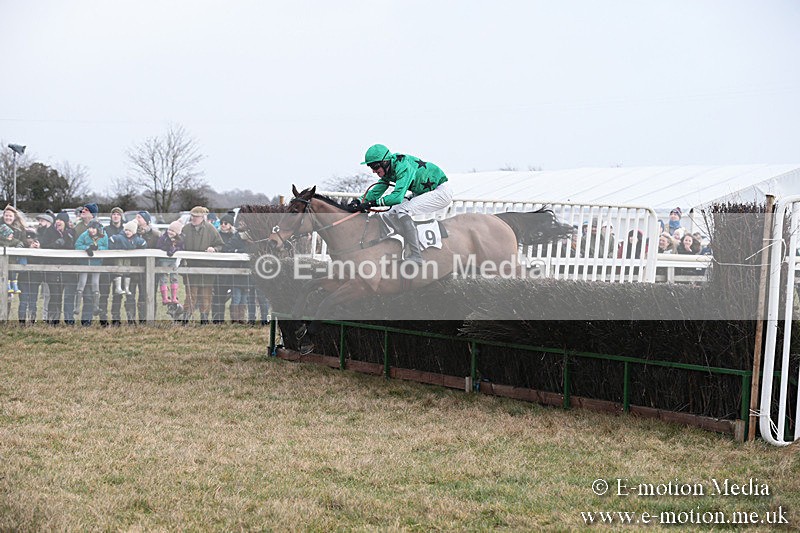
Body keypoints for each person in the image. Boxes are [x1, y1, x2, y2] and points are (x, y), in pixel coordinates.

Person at [356, 144, 453, 264]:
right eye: (370, 167)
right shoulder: (390, 168)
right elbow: (377, 191)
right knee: (390, 213)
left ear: (385, 162)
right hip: (423, 192)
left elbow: (397, 197)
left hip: (440, 191)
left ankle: (416, 255)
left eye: (375, 167)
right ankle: (393, 248)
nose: (373, 171)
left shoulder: (403, 166)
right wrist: (359, 201)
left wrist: (373, 203)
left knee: (402, 211)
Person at [181, 206, 223, 324]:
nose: (194, 218)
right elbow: (179, 244)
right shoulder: (186, 229)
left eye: (197, 216)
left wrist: (214, 249)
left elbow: (220, 244)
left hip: (207, 268)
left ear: (203, 217)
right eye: (192, 216)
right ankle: (186, 318)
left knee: (206, 295)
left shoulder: (211, 229)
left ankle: (204, 319)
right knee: (191, 295)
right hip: (190, 267)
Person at [40, 212, 75, 324]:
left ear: (65, 222)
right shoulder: (49, 232)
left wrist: (64, 239)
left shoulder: (71, 233)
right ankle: (52, 320)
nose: (58, 222)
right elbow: (44, 246)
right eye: (57, 220)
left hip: (67, 268)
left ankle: (67, 319)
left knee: (65, 295)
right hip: (52, 267)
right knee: (54, 294)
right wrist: (57, 243)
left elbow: (72, 247)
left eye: (61, 220)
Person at [74, 219, 109, 320]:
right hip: (84, 263)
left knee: (95, 284)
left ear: (98, 228)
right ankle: (76, 308)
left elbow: (106, 248)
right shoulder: (85, 235)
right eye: (90, 228)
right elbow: (77, 245)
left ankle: (95, 308)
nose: (91, 230)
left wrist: (98, 248)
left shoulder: (104, 236)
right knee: (81, 284)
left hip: (96, 263)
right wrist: (87, 248)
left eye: (93, 228)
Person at [109, 220, 146, 301]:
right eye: (126, 230)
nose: (127, 232)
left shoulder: (136, 239)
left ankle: (126, 288)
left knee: (127, 271)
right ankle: (118, 287)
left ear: (134, 232)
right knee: (119, 270)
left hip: (129, 257)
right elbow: (111, 239)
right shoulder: (120, 237)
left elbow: (143, 243)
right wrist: (114, 249)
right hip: (119, 256)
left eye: (130, 230)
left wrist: (138, 249)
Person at [102, 207, 126, 325]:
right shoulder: (105, 230)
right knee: (104, 293)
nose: (115, 216)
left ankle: (116, 317)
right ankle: (103, 317)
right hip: (106, 264)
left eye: (118, 214)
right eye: (113, 214)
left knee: (117, 293)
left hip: (120, 266)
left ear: (121, 216)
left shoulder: (126, 230)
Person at [155, 220, 184, 308]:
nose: (170, 232)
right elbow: (159, 246)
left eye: (173, 231)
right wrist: (168, 248)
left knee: (174, 277)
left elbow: (182, 248)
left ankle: (174, 297)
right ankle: (164, 297)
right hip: (163, 261)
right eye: (169, 230)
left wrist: (175, 249)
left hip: (173, 261)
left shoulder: (180, 240)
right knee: (163, 277)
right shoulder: (163, 238)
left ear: (177, 233)